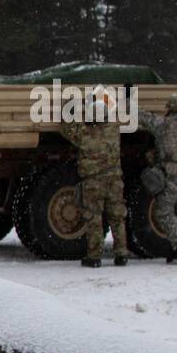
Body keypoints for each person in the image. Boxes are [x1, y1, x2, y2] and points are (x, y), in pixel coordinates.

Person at [137, 94, 177, 264]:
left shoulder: (163, 125)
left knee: (163, 211)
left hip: (171, 176)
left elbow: (142, 118)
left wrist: (128, 100)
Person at [60, 111, 128, 268]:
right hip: (114, 183)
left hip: (93, 184)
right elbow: (123, 114)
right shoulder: (113, 130)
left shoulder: (85, 133)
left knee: (94, 219)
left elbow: (66, 129)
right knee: (117, 218)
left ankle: (95, 256)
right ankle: (121, 254)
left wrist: (69, 108)